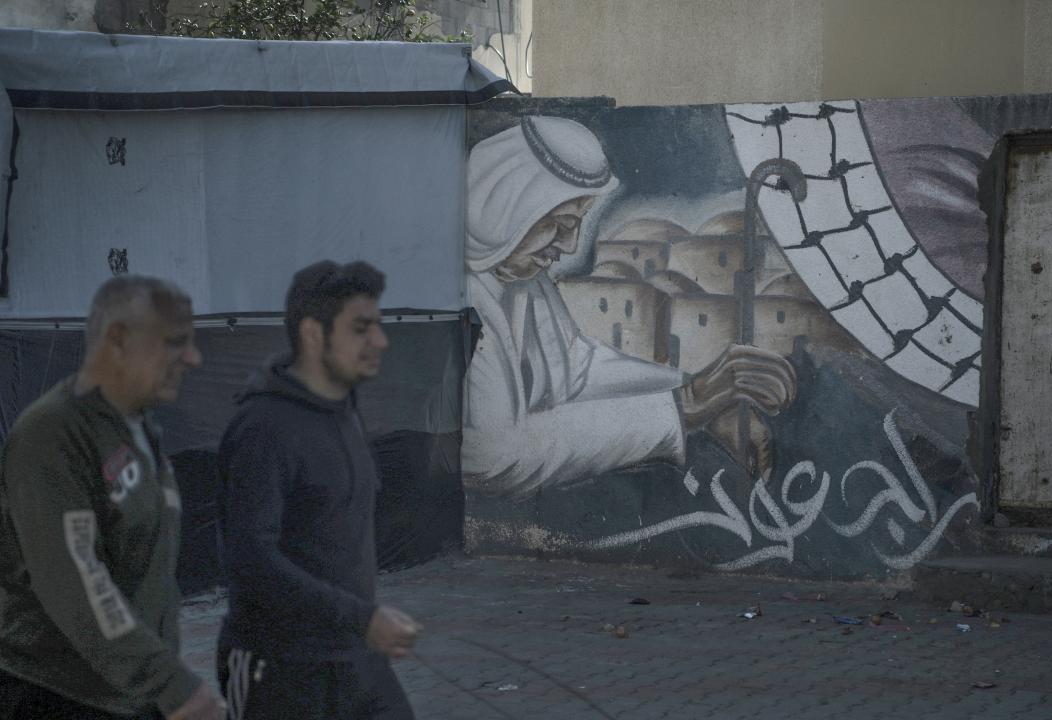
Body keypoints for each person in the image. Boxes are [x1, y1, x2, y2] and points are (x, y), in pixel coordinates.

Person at [463, 115, 797, 499]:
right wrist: (687, 405)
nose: (570, 246)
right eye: (559, 223)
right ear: (507, 209)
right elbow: (490, 454)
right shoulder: (459, 297)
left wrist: (699, 397)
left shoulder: (522, 279)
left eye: (577, 224)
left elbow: (575, 368)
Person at [0, 275, 223, 720]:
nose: (193, 358)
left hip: (128, 693)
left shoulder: (139, 430)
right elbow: (73, 578)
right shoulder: (53, 434)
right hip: (57, 692)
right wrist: (172, 684)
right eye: (175, 343)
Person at [216, 260, 419, 720]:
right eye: (361, 329)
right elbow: (251, 560)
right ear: (313, 333)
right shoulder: (263, 428)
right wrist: (363, 618)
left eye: (378, 326)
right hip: (280, 670)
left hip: (355, 660)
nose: (380, 341)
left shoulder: (344, 409)